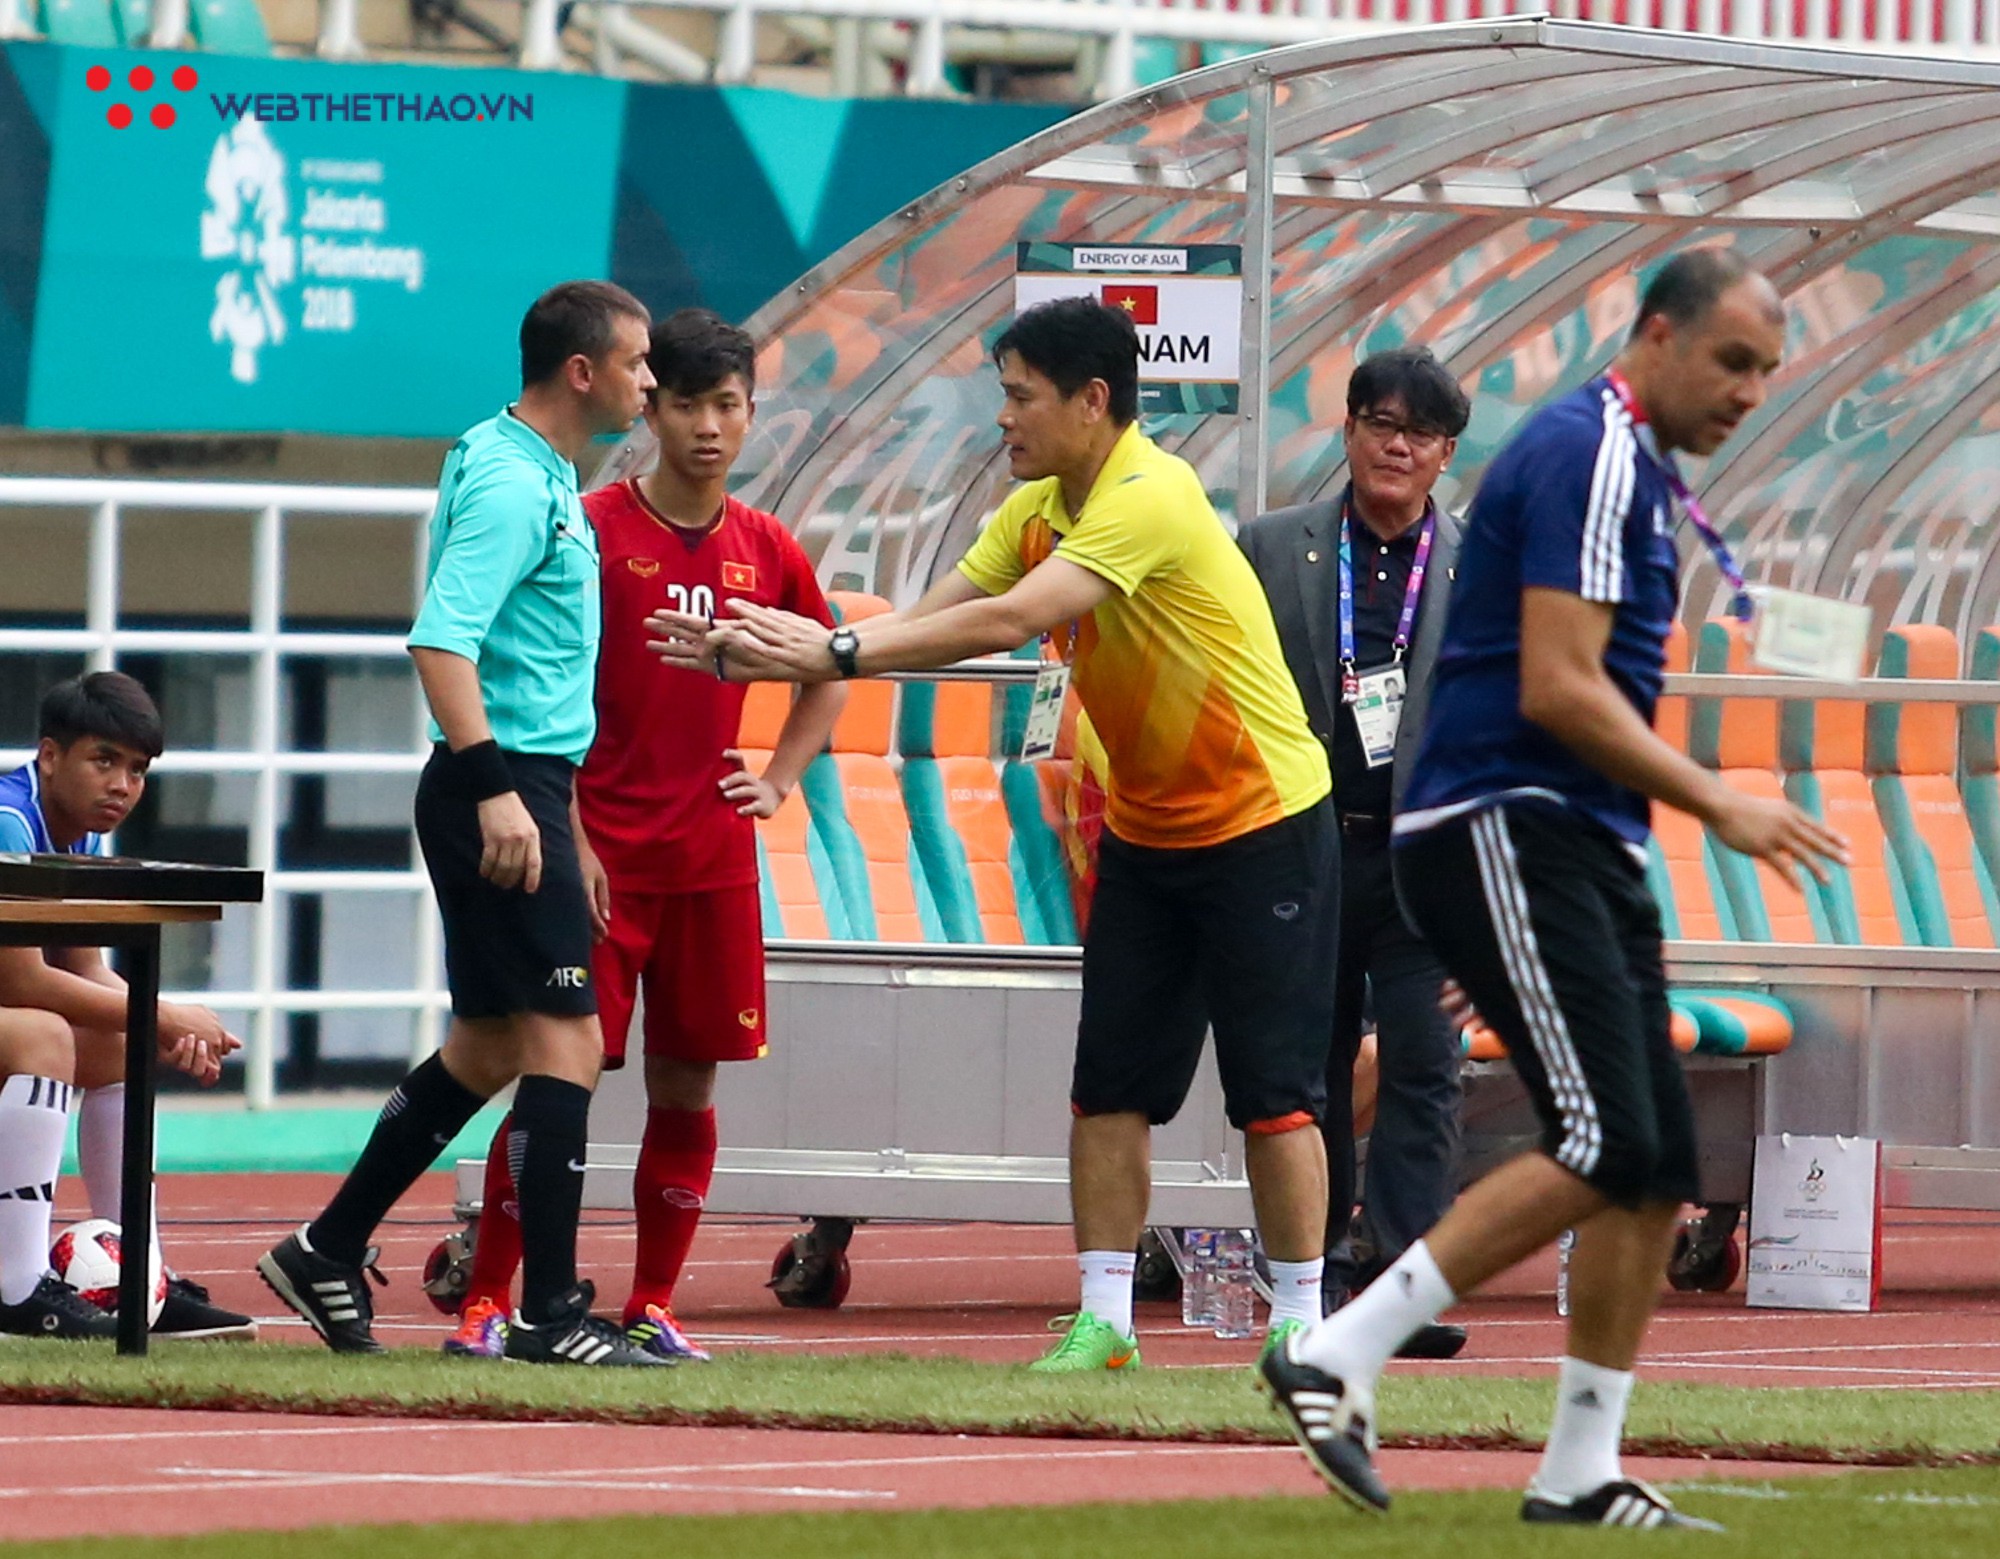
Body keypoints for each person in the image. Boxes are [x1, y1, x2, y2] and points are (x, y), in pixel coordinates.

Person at [1261, 250, 1846, 1528]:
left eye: (1766, 372)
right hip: (1504, 824)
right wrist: (1720, 800)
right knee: (1601, 1140)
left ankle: (1579, 1466)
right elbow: (1558, 684)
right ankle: (1335, 1348)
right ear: (1654, 335)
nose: (1749, 391)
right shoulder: (1590, 448)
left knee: (1652, 1160)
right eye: (1732, 361)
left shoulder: (1630, 467)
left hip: (1578, 833)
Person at [650, 296, 1340, 1372]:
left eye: (1018, 397)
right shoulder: (1032, 508)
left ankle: (1302, 1319)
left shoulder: (1147, 495)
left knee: (1273, 1092)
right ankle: (1103, 1320)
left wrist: (828, 651)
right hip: (1149, 836)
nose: (1002, 420)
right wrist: (786, 647)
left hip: (1264, 821)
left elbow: (1014, 620)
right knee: (1107, 1082)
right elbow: (932, 618)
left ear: (1091, 401)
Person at [258, 279, 667, 1367]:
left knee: (490, 1042)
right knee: (565, 1041)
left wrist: (562, 819)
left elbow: (534, 676)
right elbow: (443, 643)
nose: (650, 381)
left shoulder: (537, 470)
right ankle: (549, 1315)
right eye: (635, 362)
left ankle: (325, 1246)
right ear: (581, 372)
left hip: (529, 786)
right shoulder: (506, 478)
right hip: (496, 786)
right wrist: (499, 790)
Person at [443, 308, 846, 1362]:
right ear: (649, 408)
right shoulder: (588, 524)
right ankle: (490, 1299)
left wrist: (779, 778)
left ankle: (653, 1301)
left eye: (728, 405)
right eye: (685, 402)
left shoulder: (768, 549)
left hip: (711, 862)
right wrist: (563, 823)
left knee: (688, 1080)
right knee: (551, 1069)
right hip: (599, 853)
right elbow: (526, 685)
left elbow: (831, 669)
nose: (708, 426)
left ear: (754, 413)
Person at [1238, 347, 1469, 1361]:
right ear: (1346, 432)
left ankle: (1400, 1279)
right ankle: (1313, 1270)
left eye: (1418, 433)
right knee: (1311, 1064)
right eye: (1379, 422)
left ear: (1443, 455)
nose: (1396, 444)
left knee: (1425, 1059)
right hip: (1303, 851)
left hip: (1424, 864)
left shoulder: (1480, 567)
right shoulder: (1268, 546)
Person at [0, 670, 249, 1339]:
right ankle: (14, 1285)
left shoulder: (78, 831)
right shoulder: (8, 821)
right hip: (16, 1009)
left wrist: (160, 1020)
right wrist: (162, 1016)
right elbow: (22, 982)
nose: (122, 785)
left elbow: (85, 968)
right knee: (45, 1035)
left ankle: (143, 1281)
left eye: (137, 769)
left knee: (117, 1043)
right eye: (104, 760)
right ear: (50, 756)